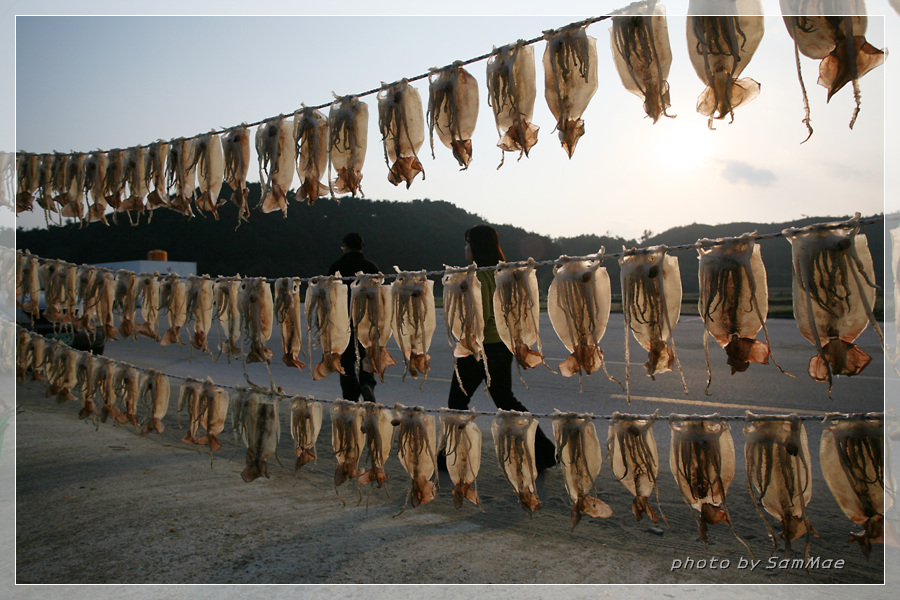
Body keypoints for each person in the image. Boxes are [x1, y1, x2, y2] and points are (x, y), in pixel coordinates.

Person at [444, 225, 557, 472]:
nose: (465, 248)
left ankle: (448, 457)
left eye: (467, 243)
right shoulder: (504, 273)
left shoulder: (474, 277)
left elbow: (479, 317)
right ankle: (545, 451)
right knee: (506, 401)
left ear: (476, 246)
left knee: (457, 403)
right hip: (501, 348)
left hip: (477, 349)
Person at [328, 232, 379, 403]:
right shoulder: (371, 267)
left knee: (346, 359)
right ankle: (367, 384)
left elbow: (330, 296)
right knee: (366, 354)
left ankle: (350, 394)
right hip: (366, 320)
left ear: (346, 246)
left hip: (343, 321)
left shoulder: (336, 267)